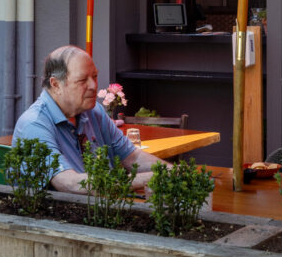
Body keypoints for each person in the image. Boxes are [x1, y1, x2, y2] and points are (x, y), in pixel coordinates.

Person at [12, 45, 166, 195]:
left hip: (102, 210)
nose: (93, 86)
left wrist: (170, 172)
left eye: (95, 76)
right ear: (56, 84)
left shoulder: (94, 111)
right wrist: (147, 178)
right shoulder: (35, 124)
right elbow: (69, 183)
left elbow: (133, 157)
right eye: (82, 80)